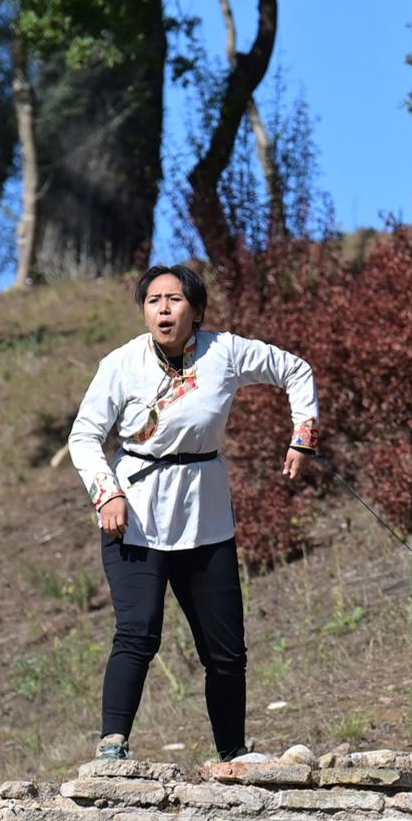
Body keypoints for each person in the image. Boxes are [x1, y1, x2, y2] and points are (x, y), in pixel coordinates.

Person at [67, 263, 320, 763]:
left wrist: (303, 436)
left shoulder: (224, 352)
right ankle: (112, 747)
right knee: (138, 632)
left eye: (175, 299)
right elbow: (84, 435)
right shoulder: (120, 364)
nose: (163, 308)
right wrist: (107, 493)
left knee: (226, 652)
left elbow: (294, 369)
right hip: (135, 512)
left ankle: (233, 754)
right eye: (153, 299)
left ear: (196, 310)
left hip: (204, 513)